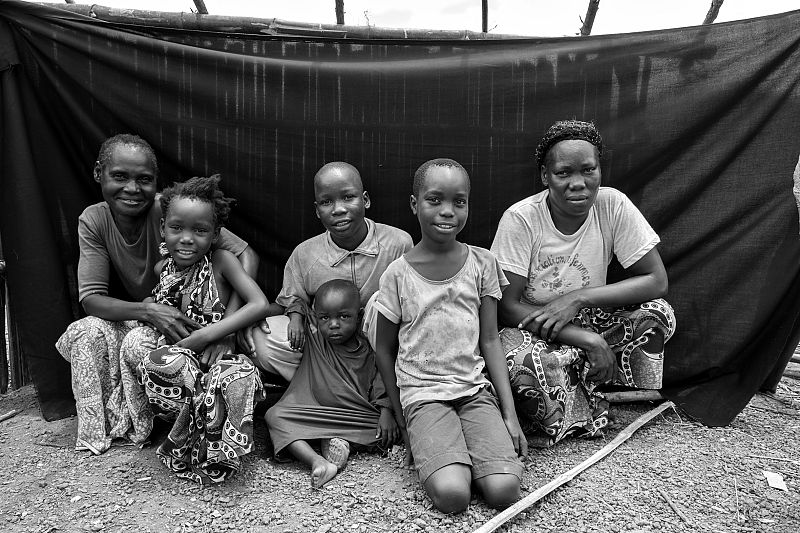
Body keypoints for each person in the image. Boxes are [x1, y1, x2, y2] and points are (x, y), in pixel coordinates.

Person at [55, 134, 259, 455]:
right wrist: (149, 311)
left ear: (156, 184)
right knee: (85, 332)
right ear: (98, 174)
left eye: (144, 180)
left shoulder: (174, 209)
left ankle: (194, 421)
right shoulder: (94, 220)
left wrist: (226, 330)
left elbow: (246, 256)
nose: (133, 189)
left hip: (194, 319)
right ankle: (111, 427)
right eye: (119, 176)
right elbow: (92, 299)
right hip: (150, 317)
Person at [491, 120, 676, 446]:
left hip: (592, 319)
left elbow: (656, 281)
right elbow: (507, 308)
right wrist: (585, 341)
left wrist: (578, 299)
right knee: (519, 363)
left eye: (588, 170)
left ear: (599, 170)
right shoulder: (522, 219)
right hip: (536, 328)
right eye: (563, 173)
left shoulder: (612, 205)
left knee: (658, 314)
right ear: (545, 177)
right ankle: (580, 395)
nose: (578, 183)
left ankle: (603, 388)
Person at [374, 159, 526, 514]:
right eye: (434, 200)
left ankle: (471, 454)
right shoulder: (397, 275)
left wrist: (510, 414)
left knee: (504, 490)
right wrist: (403, 421)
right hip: (423, 396)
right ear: (415, 205)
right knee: (453, 495)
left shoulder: (483, 263)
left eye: (459, 202)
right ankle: (450, 456)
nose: (447, 211)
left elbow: (490, 340)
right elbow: (383, 349)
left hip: (472, 390)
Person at [138, 175, 269, 484]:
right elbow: (157, 303)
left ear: (215, 235)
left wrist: (211, 334)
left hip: (220, 352)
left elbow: (259, 303)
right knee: (157, 363)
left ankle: (217, 454)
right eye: (176, 228)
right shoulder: (162, 270)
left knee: (239, 374)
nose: (186, 238)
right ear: (162, 230)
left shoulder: (223, 261)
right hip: (186, 358)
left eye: (199, 230)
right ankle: (187, 440)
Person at [251, 162, 413, 381]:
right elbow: (291, 302)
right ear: (317, 210)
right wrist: (249, 323)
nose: (338, 209)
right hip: (328, 342)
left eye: (348, 197)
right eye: (327, 202)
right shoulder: (305, 253)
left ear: (365, 199)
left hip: (378, 343)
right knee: (264, 335)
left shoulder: (397, 243)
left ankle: (374, 380)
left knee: (380, 304)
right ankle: (326, 381)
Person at [264, 279, 399, 489]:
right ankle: (317, 461)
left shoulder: (369, 349)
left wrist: (386, 411)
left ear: (360, 315)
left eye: (344, 317)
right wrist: (296, 320)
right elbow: (298, 303)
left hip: (355, 416)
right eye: (325, 317)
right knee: (275, 416)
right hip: (316, 411)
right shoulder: (316, 338)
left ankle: (332, 440)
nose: (334, 324)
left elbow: (382, 380)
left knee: (389, 429)